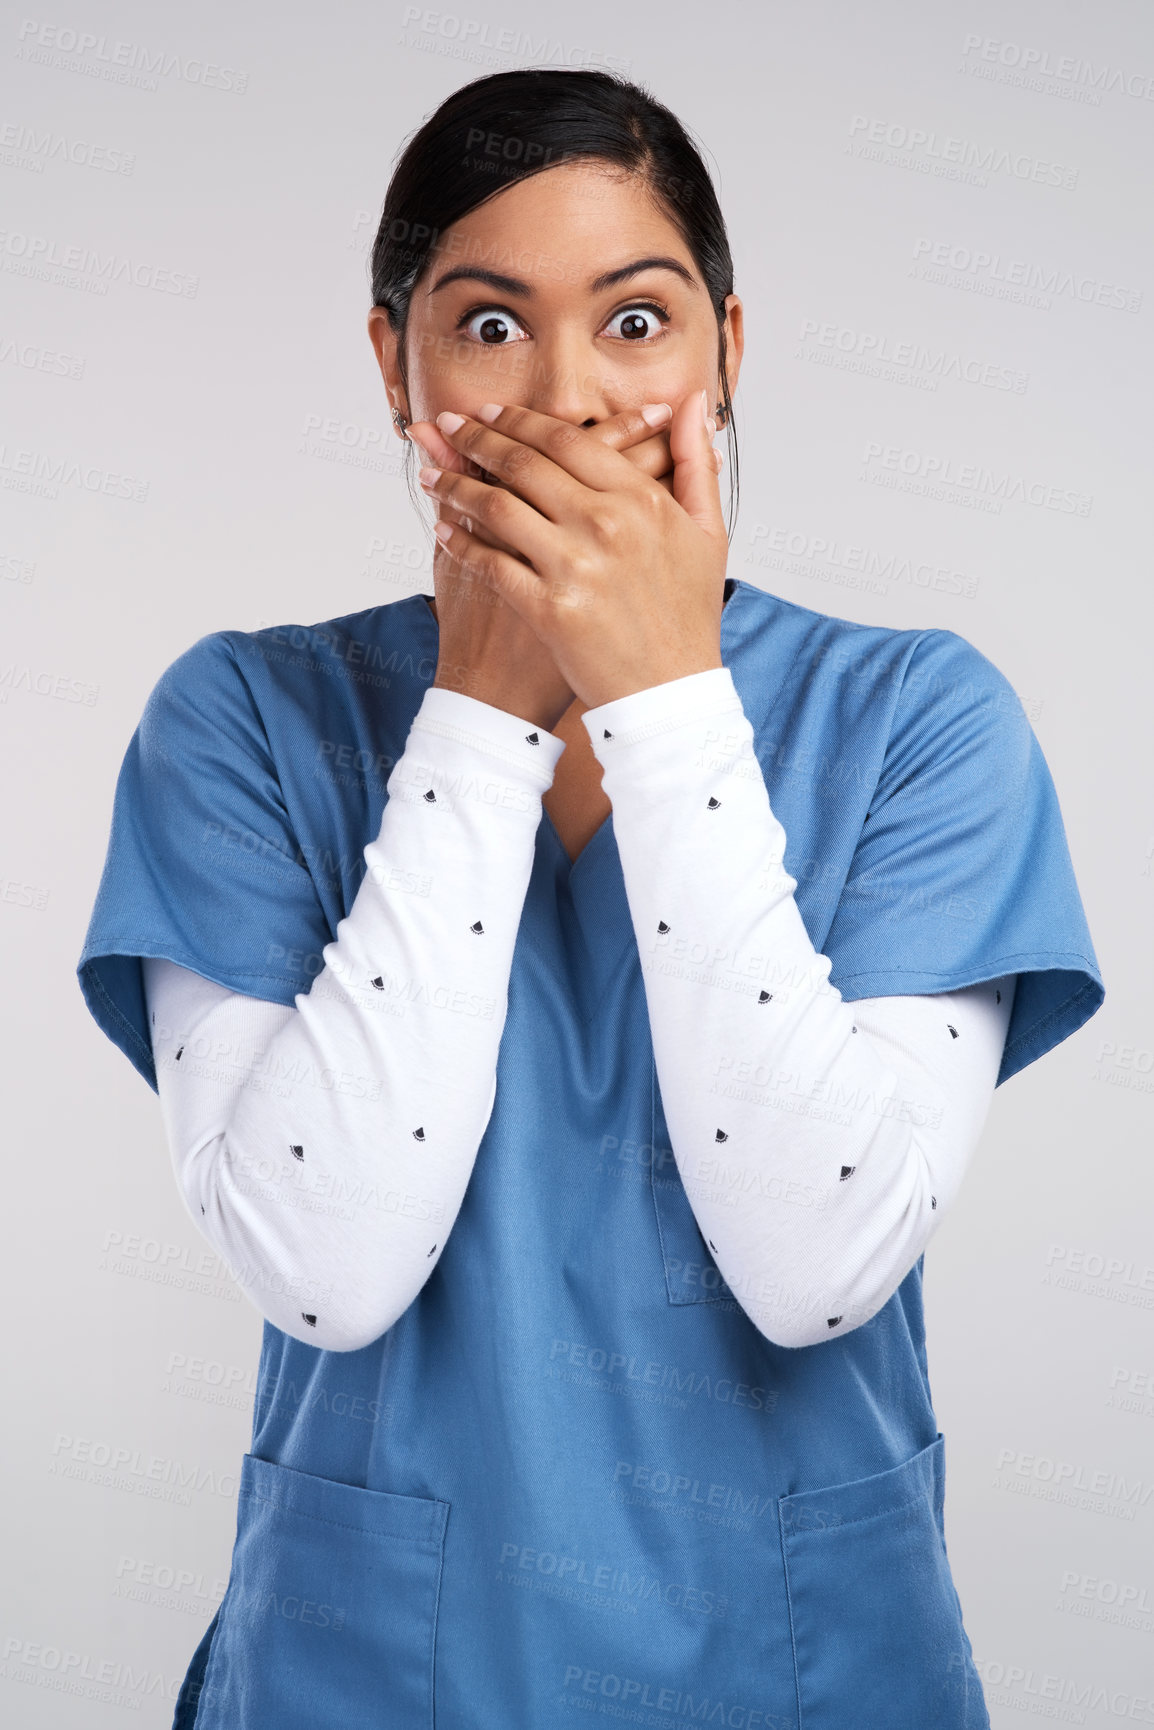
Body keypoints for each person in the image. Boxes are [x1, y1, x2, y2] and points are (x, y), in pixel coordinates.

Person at [77, 67, 1104, 1730]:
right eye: (488, 327)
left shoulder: (920, 720)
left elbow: (816, 1259)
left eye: (636, 322)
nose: (566, 397)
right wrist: (480, 717)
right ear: (390, 358)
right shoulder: (246, 724)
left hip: (800, 1665)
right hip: (372, 1672)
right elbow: (324, 1263)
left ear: (727, 353)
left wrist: (661, 697)